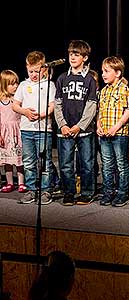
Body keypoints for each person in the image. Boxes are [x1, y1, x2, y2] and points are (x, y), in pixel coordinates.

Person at [54, 40, 98, 206]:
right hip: (64, 130)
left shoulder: (89, 80)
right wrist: (63, 124)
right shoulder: (62, 78)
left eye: (77, 54)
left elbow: (91, 105)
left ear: (85, 58)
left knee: (86, 163)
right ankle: (69, 192)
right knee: (65, 164)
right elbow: (57, 103)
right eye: (71, 53)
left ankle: (87, 192)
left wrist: (80, 126)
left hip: (83, 130)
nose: (72, 57)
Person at [13, 51, 55, 205]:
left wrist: (42, 115)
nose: (34, 75)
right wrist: (25, 112)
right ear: (26, 68)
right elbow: (15, 105)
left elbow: (52, 106)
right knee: (29, 161)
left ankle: (45, 190)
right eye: (30, 71)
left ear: (44, 69)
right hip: (26, 129)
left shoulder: (49, 84)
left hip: (43, 130)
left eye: (37, 71)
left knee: (45, 161)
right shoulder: (24, 85)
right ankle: (31, 189)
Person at [97, 56, 129, 207]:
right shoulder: (103, 91)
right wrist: (99, 125)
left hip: (119, 134)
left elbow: (128, 111)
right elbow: (100, 112)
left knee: (121, 164)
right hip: (104, 134)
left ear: (117, 73)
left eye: (106, 71)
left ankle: (122, 193)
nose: (103, 74)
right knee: (107, 164)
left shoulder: (124, 90)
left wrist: (115, 127)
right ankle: (108, 191)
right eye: (102, 71)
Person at [0, 70, 25, 193]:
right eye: (12, 84)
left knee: (19, 159)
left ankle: (21, 182)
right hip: (4, 133)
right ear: (4, 85)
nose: (16, 86)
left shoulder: (17, 100)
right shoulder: (0, 101)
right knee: (7, 160)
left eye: (17, 83)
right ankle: (9, 182)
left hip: (16, 131)